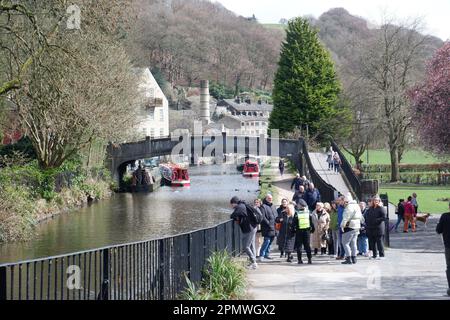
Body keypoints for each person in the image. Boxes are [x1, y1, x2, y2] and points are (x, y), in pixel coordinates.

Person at [230, 196, 257, 269]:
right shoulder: (243, 205)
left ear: (234, 203)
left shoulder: (240, 207)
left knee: (246, 246)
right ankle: (253, 262)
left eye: (232, 204)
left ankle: (254, 263)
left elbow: (232, 215)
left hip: (249, 229)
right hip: (252, 227)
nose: (231, 206)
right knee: (251, 245)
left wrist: (234, 216)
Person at [340, 195, 364, 264]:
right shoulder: (357, 206)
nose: (344, 203)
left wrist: (342, 226)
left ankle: (348, 258)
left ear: (346, 201)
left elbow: (346, 218)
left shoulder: (349, 207)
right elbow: (361, 217)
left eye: (344, 201)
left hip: (350, 226)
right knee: (353, 243)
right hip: (357, 226)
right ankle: (354, 258)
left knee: (345, 243)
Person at [293, 199, 315, 264]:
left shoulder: (297, 213)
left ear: (300, 205)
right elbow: (311, 222)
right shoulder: (308, 212)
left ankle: (299, 260)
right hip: (307, 231)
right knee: (307, 246)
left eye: (298, 205)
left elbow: (294, 223)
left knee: (299, 246)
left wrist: (293, 230)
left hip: (299, 231)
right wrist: (313, 229)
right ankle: (309, 259)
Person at [366, 195, 387, 260]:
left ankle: (382, 255)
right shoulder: (370, 208)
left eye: (377, 200)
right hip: (371, 227)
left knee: (379, 242)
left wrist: (376, 220)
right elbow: (367, 216)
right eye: (374, 200)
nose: (376, 202)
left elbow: (384, 217)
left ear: (379, 201)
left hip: (378, 228)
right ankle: (374, 255)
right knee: (372, 242)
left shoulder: (381, 208)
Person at [436, 201, 450, 296]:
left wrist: (439, 223)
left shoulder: (445, 216)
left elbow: (438, 230)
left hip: (448, 245)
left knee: (449, 267)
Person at [259, 194, 277, 261]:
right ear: (266, 198)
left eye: (271, 198)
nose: (270, 199)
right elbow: (263, 217)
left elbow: (276, 215)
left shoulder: (273, 206)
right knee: (267, 241)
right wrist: (269, 224)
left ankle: (267, 255)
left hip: (274, 227)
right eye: (269, 198)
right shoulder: (263, 206)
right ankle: (262, 255)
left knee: (270, 242)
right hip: (267, 227)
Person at [336, 196, 346, 260]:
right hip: (339, 226)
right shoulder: (339, 207)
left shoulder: (346, 207)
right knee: (341, 242)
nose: (339, 202)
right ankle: (341, 254)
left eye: (340, 200)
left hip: (345, 227)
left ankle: (345, 255)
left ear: (343, 201)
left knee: (345, 242)